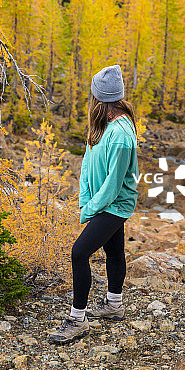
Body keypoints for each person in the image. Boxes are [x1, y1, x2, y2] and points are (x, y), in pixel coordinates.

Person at [50, 64, 138, 344]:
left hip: (115, 205)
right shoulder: (103, 126)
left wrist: (89, 210)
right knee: (113, 250)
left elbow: (114, 184)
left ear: (103, 100)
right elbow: (88, 162)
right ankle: (114, 304)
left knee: (79, 253)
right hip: (102, 202)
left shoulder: (122, 135)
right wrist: (85, 199)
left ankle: (78, 319)